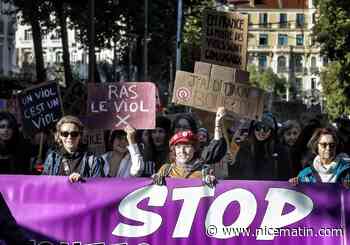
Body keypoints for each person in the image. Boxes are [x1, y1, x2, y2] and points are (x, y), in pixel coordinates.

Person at [152, 107, 227, 187]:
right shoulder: (166, 168)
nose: (182, 151)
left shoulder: (203, 167)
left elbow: (215, 149)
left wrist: (218, 125)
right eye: (178, 126)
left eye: (185, 127)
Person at [229, 112, 292, 180]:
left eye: (266, 128)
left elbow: (286, 177)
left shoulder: (280, 151)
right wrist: (230, 163)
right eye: (258, 127)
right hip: (247, 189)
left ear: (271, 131)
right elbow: (235, 176)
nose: (262, 131)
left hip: (272, 189)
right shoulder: (244, 148)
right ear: (253, 129)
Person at [43, 115, 103, 182]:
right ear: (60, 136)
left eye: (74, 133)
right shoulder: (52, 158)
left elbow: (99, 184)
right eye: (65, 134)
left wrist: (84, 180)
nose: (69, 137)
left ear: (80, 135)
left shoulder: (92, 159)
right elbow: (45, 184)